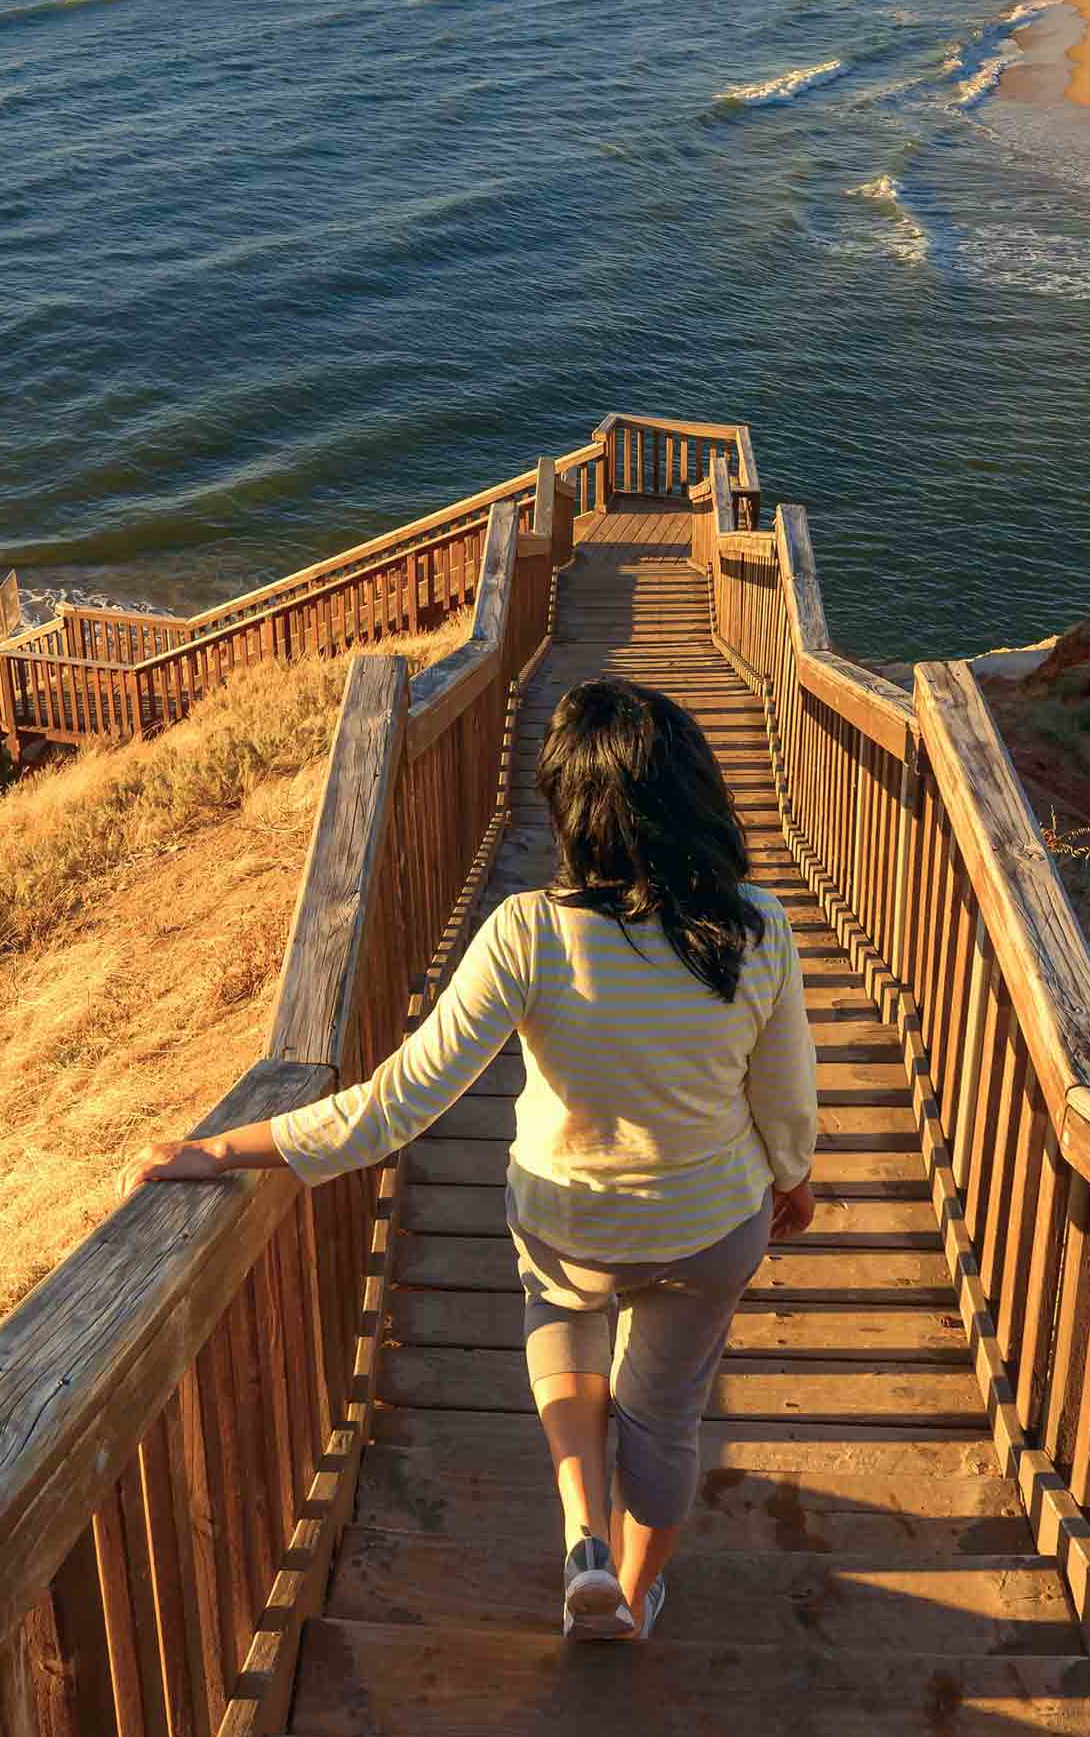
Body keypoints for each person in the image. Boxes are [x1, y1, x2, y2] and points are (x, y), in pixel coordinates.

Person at [138, 676, 816, 1642]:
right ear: (697, 793)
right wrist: (793, 1182)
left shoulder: (528, 934)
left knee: (566, 1322)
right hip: (711, 1223)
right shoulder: (756, 929)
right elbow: (785, 1108)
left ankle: (582, 1533)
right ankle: (634, 1591)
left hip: (569, 1218)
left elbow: (395, 1104)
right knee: (665, 1417)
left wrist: (226, 1148)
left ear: (571, 815)